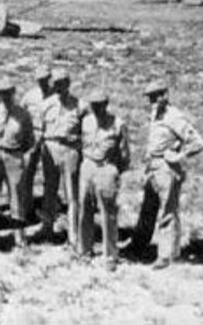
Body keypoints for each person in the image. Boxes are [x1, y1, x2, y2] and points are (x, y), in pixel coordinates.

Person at [130, 80, 203, 270]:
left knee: (167, 213)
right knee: (148, 208)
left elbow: (197, 142)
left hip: (166, 169)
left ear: (165, 95)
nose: (152, 101)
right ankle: (138, 246)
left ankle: (165, 255)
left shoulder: (175, 117)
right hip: (152, 167)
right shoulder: (156, 114)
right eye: (150, 97)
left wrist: (179, 156)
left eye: (156, 96)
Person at [77, 90, 130, 271]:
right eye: (93, 105)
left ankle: (110, 256)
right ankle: (84, 251)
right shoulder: (85, 121)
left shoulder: (118, 124)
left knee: (108, 213)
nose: (96, 109)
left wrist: (113, 171)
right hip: (87, 166)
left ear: (106, 105)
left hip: (107, 168)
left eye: (99, 105)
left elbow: (124, 155)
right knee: (84, 209)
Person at [39, 68, 87, 246]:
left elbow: (87, 132)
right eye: (56, 84)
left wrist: (78, 142)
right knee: (49, 190)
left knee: (71, 194)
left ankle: (73, 236)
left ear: (68, 84)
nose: (59, 87)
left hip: (70, 150)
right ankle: (47, 229)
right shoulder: (47, 104)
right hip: (50, 148)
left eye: (62, 83)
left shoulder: (80, 106)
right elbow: (41, 129)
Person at [0, 78, 35, 247]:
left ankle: (19, 237)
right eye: (1, 93)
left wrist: (18, 153)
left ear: (13, 93)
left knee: (17, 198)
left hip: (14, 157)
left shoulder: (23, 115)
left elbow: (29, 140)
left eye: (8, 93)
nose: (5, 96)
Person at [20, 64, 53, 211]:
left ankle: (48, 209)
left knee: (50, 175)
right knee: (27, 172)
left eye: (45, 79)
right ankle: (27, 208)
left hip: (50, 137)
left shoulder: (56, 95)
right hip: (33, 136)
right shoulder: (30, 96)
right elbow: (21, 114)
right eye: (40, 79)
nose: (42, 82)